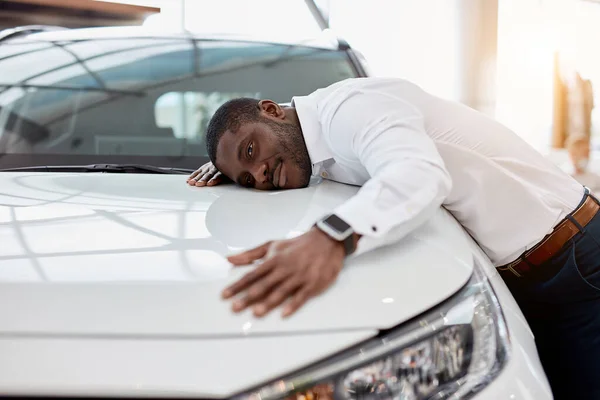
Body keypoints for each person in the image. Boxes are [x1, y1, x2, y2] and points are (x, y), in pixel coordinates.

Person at [187, 77, 600, 399]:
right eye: (245, 177)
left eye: (250, 151)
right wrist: (230, 167)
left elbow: (417, 175)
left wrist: (330, 238)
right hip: (521, 280)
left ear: (272, 110)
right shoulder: (312, 153)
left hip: (577, 262)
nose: (257, 174)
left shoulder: (350, 109)